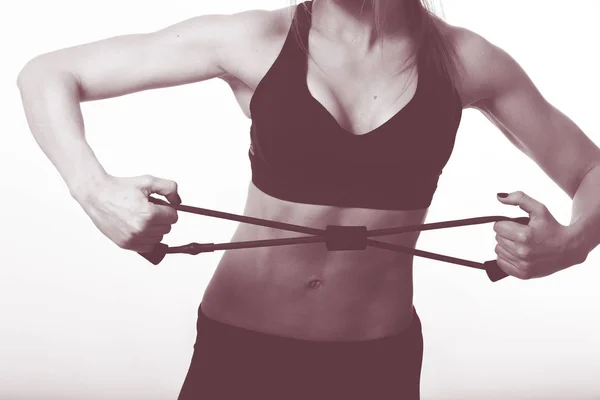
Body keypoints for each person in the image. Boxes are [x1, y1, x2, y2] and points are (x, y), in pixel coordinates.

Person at [16, 0, 600, 399]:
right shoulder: (256, 39)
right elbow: (46, 74)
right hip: (240, 348)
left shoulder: (466, 60)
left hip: (376, 360)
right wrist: (94, 190)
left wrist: (575, 241)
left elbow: (590, 168)